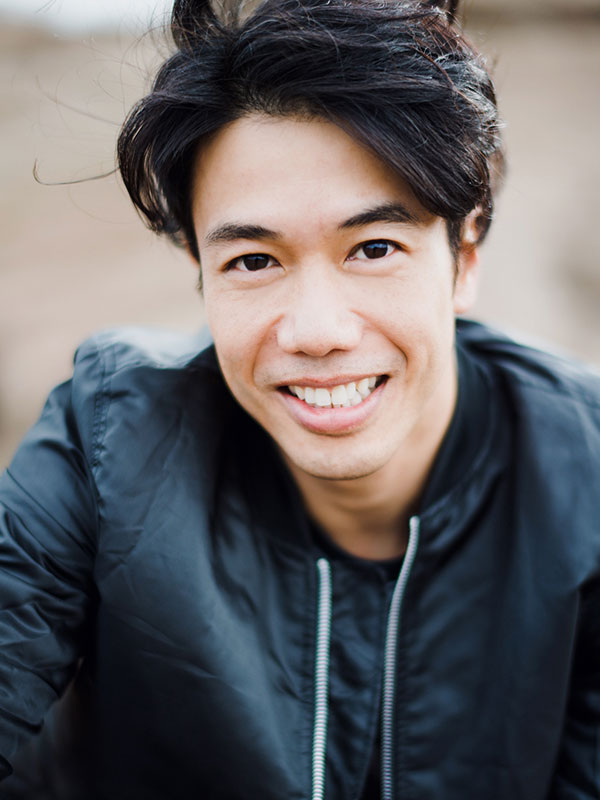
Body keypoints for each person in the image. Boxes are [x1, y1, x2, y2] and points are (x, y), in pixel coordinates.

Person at [1, 0, 599, 797]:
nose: (317, 332)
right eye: (253, 260)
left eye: (374, 247)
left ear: (464, 254)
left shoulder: (587, 475)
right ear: (200, 272)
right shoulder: (109, 436)